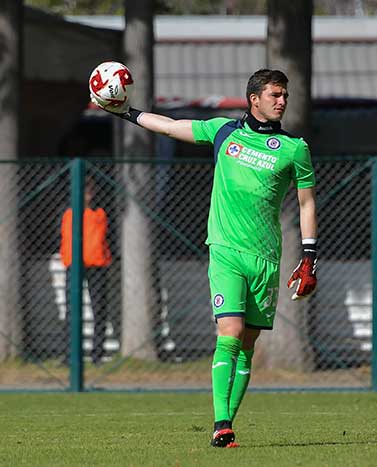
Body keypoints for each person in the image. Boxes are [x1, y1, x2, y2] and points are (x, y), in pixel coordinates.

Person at [92, 69, 318, 448]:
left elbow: (307, 202)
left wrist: (310, 256)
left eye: (284, 95)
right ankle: (221, 423)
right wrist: (125, 112)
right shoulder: (223, 131)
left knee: (247, 345)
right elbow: (170, 127)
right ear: (254, 99)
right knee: (228, 334)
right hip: (225, 251)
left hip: (266, 258)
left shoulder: (295, 147)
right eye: (275, 94)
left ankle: (228, 417)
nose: (282, 101)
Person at [60, 176, 112, 365]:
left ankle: (97, 354)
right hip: (74, 265)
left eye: (90, 190)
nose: (88, 194)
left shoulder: (100, 212)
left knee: (99, 310)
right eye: (84, 190)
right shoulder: (67, 213)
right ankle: (70, 354)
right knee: (72, 311)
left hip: (97, 265)